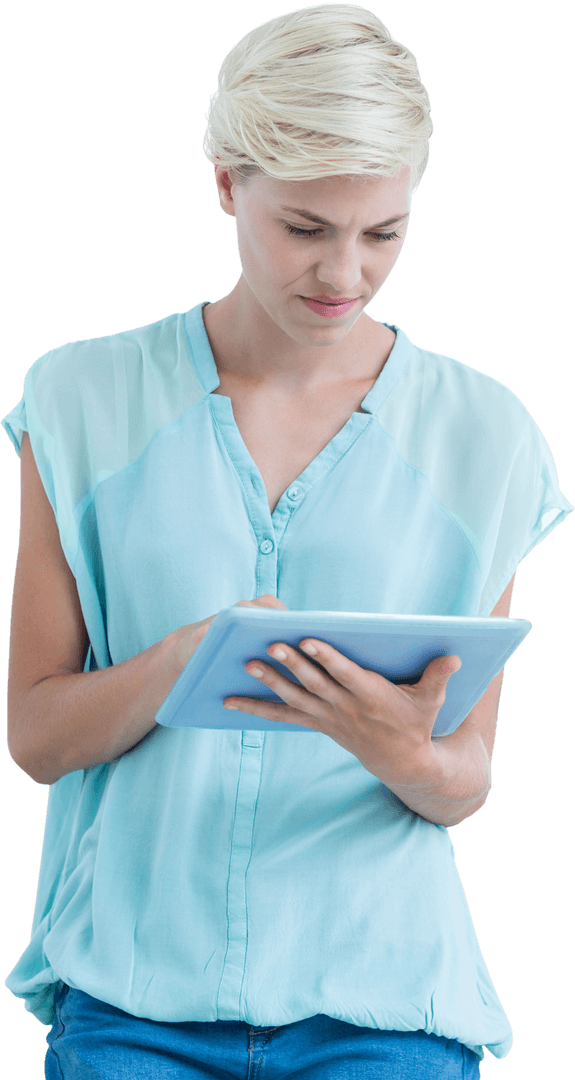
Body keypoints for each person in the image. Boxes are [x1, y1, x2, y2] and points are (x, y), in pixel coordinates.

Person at [2, 4, 573, 1078]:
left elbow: (464, 779)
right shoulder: (78, 400)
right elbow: (36, 737)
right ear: (227, 183)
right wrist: (180, 662)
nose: (344, 276)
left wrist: (402, 751)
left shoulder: (483, 435)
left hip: (385, 1003)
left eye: (383, 233)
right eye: (304, 229)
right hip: (131, 1001)